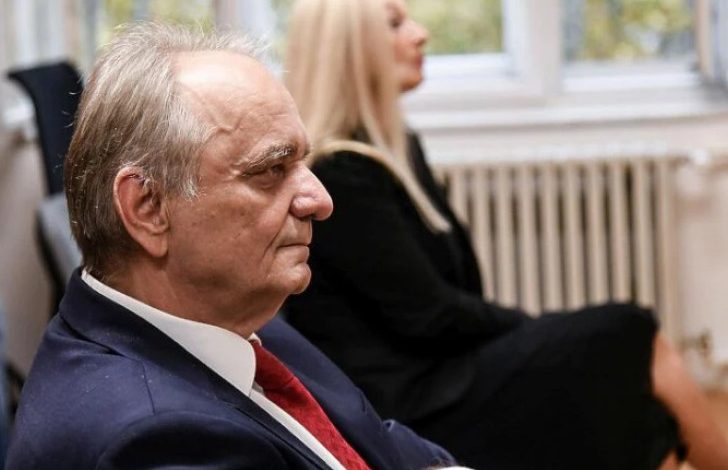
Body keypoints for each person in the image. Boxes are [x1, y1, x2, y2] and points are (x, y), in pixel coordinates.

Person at [282, 0, 728, 469]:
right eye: (395, 24)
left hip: (443, 373)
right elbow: (431, 316)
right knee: (625, 333)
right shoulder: (341, 173)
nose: (420, 34)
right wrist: (533, 328)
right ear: (348, 48)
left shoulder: (396, 149)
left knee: (622, 370)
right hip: (414, 400)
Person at [6, 22, 460, 470]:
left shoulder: (234, 316)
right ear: (148, 208)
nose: (320, 200)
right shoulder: (153, 440)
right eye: (271, 170)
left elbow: (381, 443)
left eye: (302, 162)